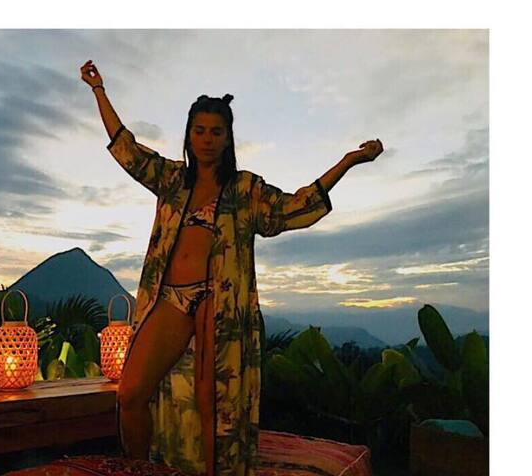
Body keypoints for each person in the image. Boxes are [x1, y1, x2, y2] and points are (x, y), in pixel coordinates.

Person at [80, 60, 384, 476]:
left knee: (214, 404)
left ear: (228, 138)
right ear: (188, 135)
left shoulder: (244, 189)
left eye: (216, 132)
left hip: (218, 299)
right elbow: (127, 148)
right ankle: (141, 469)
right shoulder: (172, 179)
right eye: (199, 130)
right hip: (170, 297)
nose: (207, 139)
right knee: (130, 393)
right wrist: (98, 90)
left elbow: (294, 206)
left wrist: (348, 162)